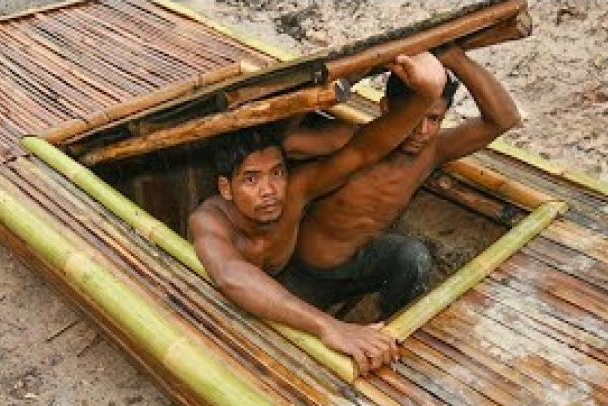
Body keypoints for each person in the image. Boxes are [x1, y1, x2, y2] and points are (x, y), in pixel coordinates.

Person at [189, 52, 447, 374]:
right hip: (247, 306)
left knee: (410, 257)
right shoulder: (209, 220)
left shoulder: (296, 190)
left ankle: (383, 334)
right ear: (226, 189)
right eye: (251, 179)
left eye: (277, 173)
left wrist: (425, 96)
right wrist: (329, 326)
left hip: (298, 286)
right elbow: (230, 275)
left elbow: (364, 150)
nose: (269, 190)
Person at [279, 41, 521, 319]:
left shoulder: (432, 152)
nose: (422, 131)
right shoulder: (349, 140)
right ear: (386, 108)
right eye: (414, 118)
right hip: (308, 273)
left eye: (434, 119)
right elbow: (284, 141)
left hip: (363, 266)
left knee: (412, 256)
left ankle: (390, 328)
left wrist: (455, 59)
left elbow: (504, 119)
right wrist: (357, 71)